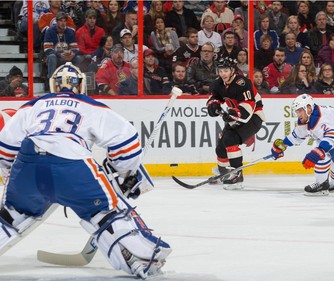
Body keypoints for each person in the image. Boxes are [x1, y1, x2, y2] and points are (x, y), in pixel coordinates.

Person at [0, 62, 172, 278]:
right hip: (72, 165)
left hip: (27, 164)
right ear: (80, 85)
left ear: (54, 85)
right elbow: (127, 145)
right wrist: (122, 172)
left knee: (12, 213)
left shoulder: (31, 106)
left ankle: (12, 214)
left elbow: (5, 149)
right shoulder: (91, 105)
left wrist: (16, 177)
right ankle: (141, 261)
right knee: (106, 212)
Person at [271, 94, 334, 195]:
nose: (298, 114)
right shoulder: (307, 118)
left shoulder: (320, 118)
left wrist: (317, 153)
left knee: (321, 153)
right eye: (297, 111)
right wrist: (282, 146)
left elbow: (332, 136)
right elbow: (298, 135)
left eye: (300, 111)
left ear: (308, 108)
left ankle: (321, 185)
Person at [206, 57, 265, 190]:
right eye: (220, 71)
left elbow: (248, 105)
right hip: (235, 116)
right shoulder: (218, 84)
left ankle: (236, 175)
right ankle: (224, 172)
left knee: (230, 138)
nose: (223, 74)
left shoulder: (242, 83)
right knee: (221, 146)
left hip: (253, 117)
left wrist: (234, 114)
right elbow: (214, 97)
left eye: (226, 70)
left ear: (232, 70)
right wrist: (213, 105)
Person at [43, 11, 83, 80]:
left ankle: (76, 81)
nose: (63, 23)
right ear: (56, 21)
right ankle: (51, 81)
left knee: (78, 58)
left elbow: (75, 48)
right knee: (52, 57)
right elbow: (47, 49)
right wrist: (59, 54)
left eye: (64, 21)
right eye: (61, 21)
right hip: (57, 57)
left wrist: (72, 54)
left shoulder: (70, 32)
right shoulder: (50, 31)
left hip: (68, 57)